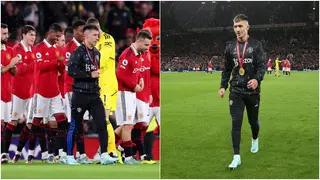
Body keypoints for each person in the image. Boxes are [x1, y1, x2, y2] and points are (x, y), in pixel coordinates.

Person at [218, 14, 266, 169]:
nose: (237, 29)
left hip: (252, 92)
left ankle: (254, 138)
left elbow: (262, 66)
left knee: (253, 122)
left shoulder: (256, 45)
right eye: (235, 26)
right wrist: (223, 86)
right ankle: (236, 156)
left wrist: (257, 79)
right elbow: (226, 69)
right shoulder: (229, 47)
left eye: (240, 26)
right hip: (236, 90)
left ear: (247, 27)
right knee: (236, 123)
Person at [66, 24, 118, 165]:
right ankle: (70, 156)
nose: (98, 37)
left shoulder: (97, 53)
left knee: (102, 124)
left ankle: (104, 155)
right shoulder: (78, 52)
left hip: (94, 95)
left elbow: (96, 74)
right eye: (95, 35)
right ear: (87, 36)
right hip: (80, 95)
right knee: (75, 126)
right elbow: (71, 72)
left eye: (98, 35)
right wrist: (90, 74)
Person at [30, 23, 67, 163]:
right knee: (37, 123)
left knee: (61, 122)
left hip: (55, 91)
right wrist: (55, 61)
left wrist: (63, 65)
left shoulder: (59, 49)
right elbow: (40, 66)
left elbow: (61, 70)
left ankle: (60, 154)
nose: (58, 38)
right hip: (41, 92)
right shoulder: (38, 48)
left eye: (60, 36)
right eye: (57, 36)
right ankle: (32, 153)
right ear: (50, 33)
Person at [114, 29, 152, 164]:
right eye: (146, 45)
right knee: (127, 124)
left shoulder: (139, 55)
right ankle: (128, 156)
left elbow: (138, 71)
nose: (148, 48)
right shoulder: (127, 54)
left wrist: (140, 80)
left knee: (130, 124)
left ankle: (110, 146)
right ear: (140, 41)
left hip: (132, 93)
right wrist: (133, 85)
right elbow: (120, 74)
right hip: (124, 92)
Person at [59, 19, 92, 164]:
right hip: (72, 90)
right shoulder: (68, 48)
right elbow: (72, 71)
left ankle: (81, 154)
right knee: (73, 123)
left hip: (83, 90)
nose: (83, 33)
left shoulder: (87, 47)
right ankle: (67, 155)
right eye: (80, 30)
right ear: (74, 32)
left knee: (80, 122)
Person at [86, 17, 118, 159]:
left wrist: (86, 66)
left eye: (96, 32)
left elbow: (102, 60)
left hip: (106, 85)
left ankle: (111, 152)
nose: (95, 35)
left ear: (99, 27)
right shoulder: (91, 42)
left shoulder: (107, 39)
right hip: (98, 85)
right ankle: (107, 150)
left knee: (104, 120)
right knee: (101, 120)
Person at [4, 25, 36, 163]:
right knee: (13, 121)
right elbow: (19, 71)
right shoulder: (16, 49)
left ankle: (19, 153)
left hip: (30, 92)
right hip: (17, 92)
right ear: (23, 35)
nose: (33, 38)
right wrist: (33, 65)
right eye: (30, 34)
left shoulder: (33, 51)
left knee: (30, 124)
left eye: (34, 35)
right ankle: (4, 153)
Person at [1, 23, 20, 164]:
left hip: (8, 92)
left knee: (7, 124)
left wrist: (12, 65)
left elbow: (14, 72)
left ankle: (3, 153)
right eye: (3, 34)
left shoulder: (9, 50)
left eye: (6, 33)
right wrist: (10, 64)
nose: (6, 36)